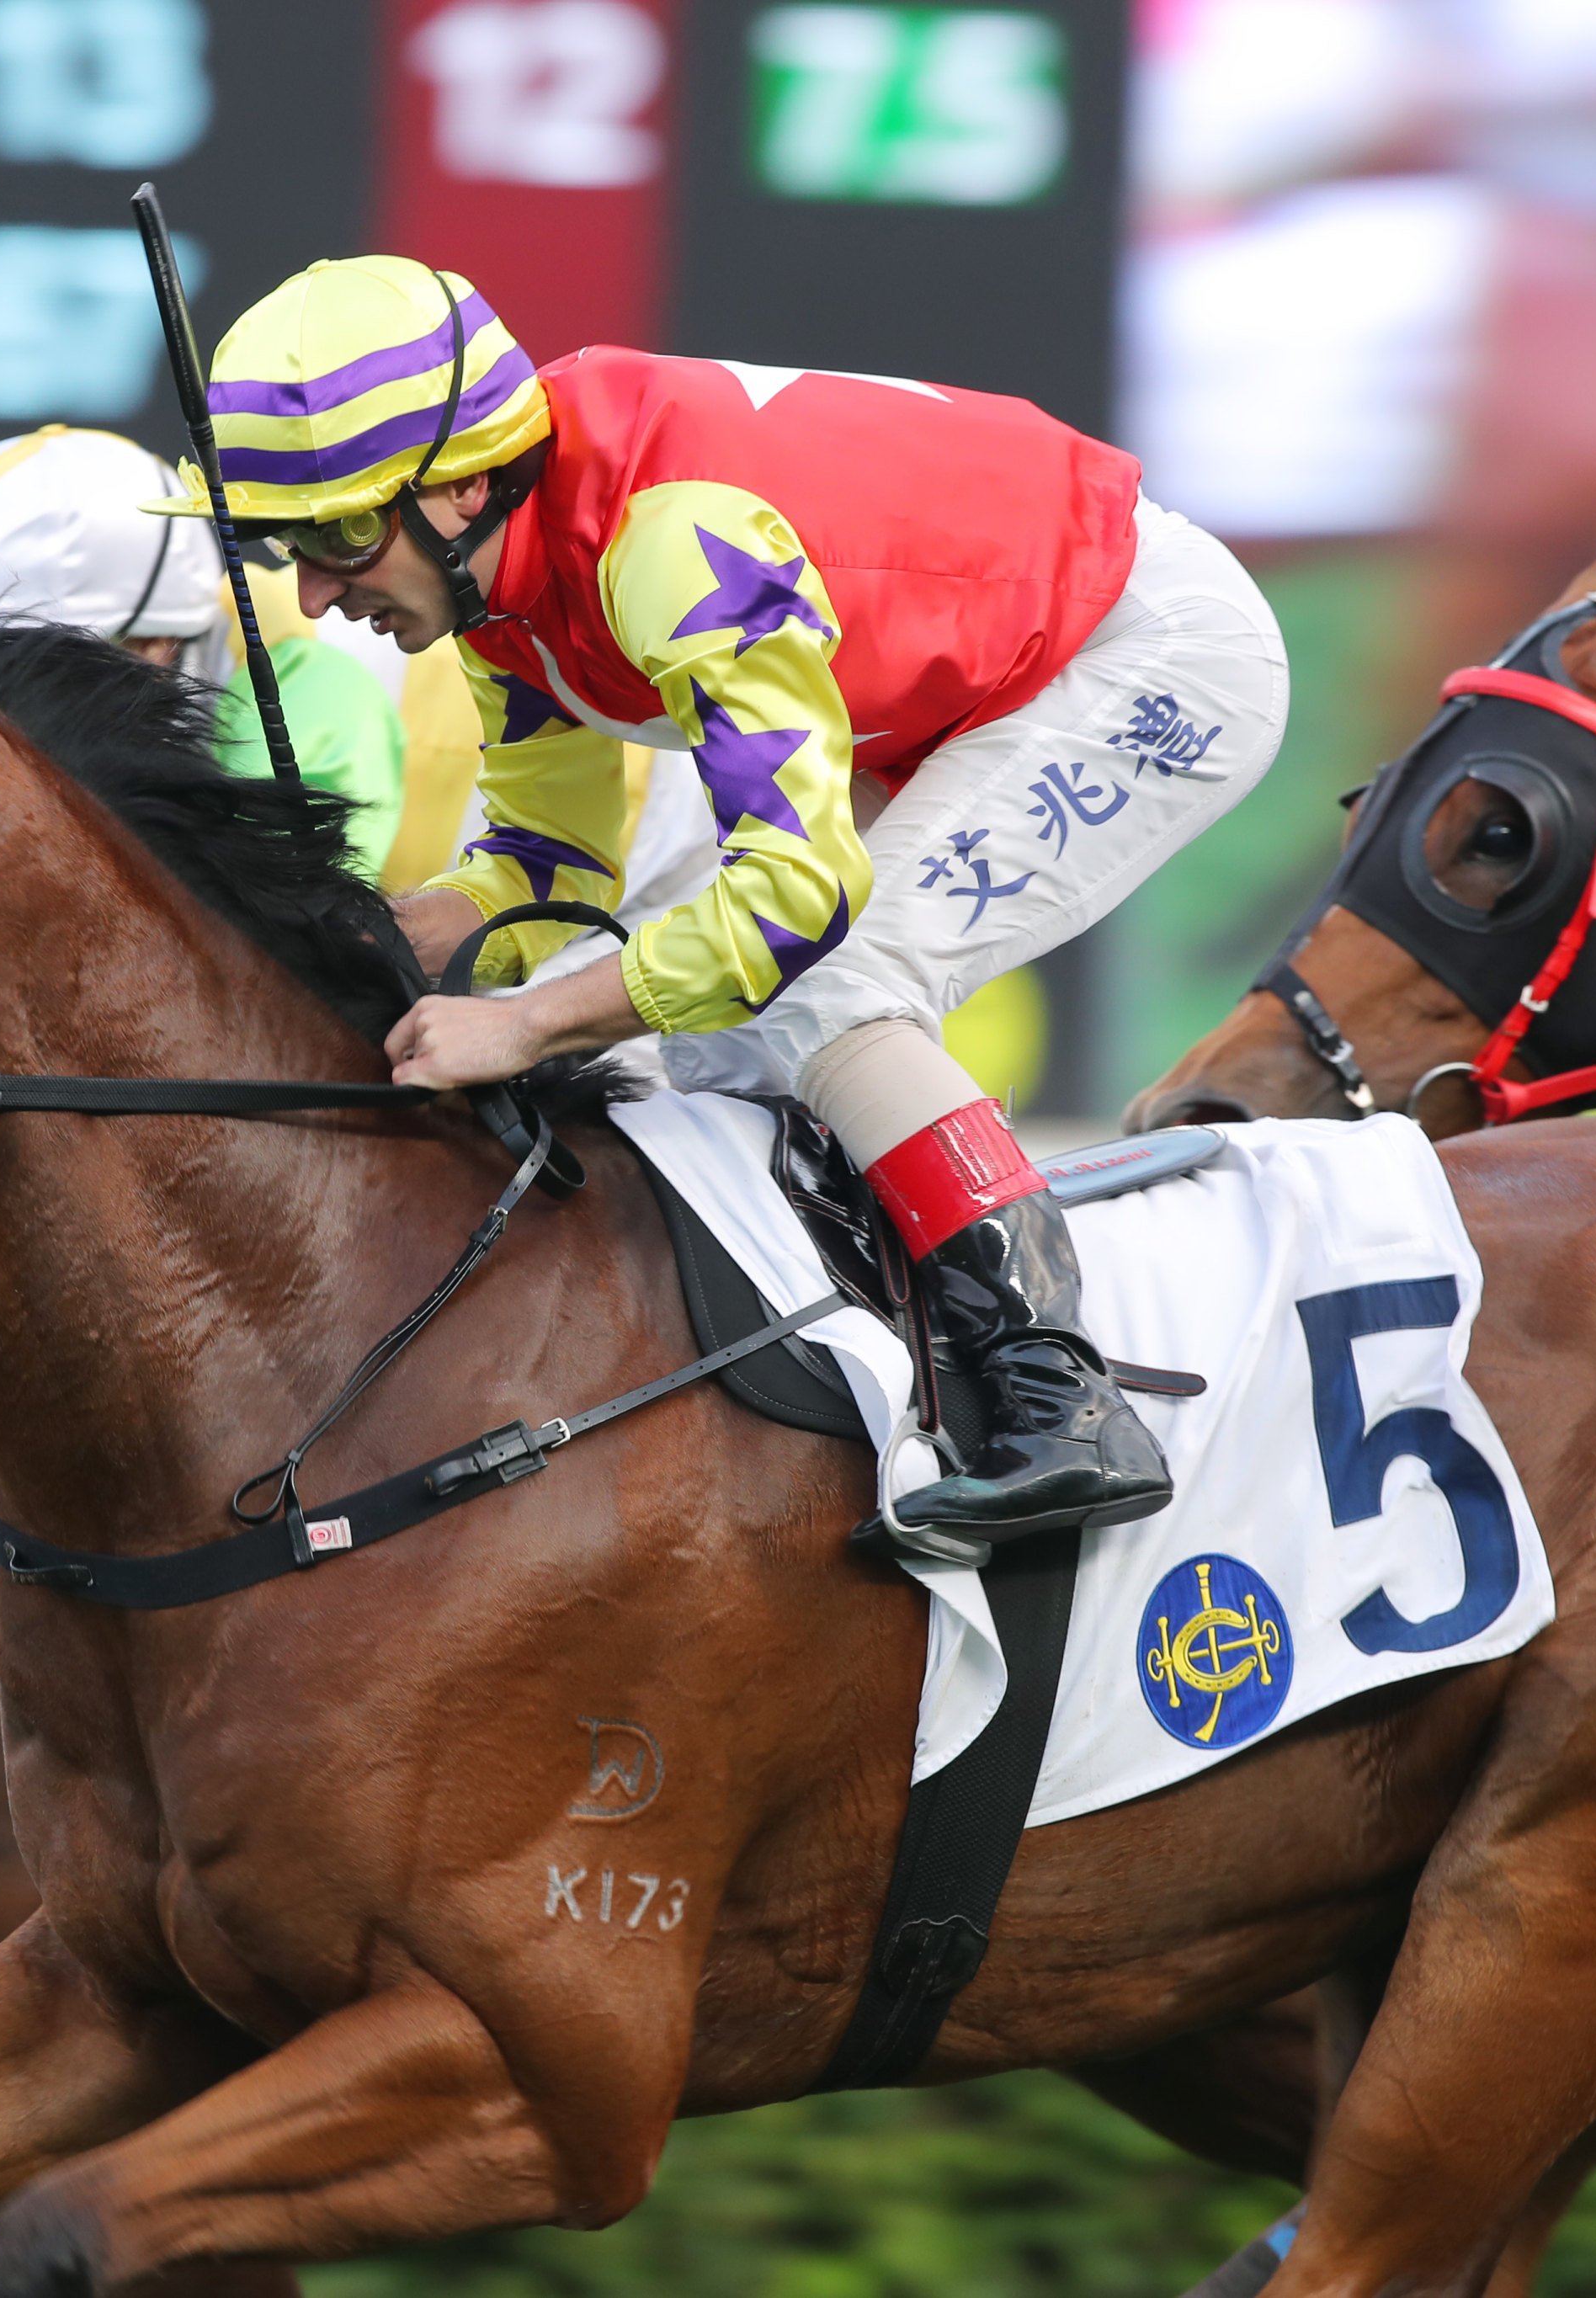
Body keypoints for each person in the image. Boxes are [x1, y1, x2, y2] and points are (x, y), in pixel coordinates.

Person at [156, 257, 1289, 1561]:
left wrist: (522, 1027)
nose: (312, 595)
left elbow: (787, 900)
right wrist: (392, 938)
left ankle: (1055, 1390)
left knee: (824, 984)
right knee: (704, 1040)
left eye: (342, 539)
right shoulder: (499, 583)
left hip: (1142, 653)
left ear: (461, 484)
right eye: (287, 550)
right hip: (970, 679)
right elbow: (547, 861)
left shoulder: (666, 544)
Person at [0, 424, 409, 877]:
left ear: (153, 646)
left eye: (27, 674)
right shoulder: (177, 631)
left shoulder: (310, 692)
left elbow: (270, 921)